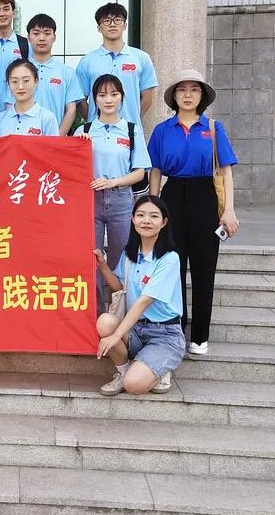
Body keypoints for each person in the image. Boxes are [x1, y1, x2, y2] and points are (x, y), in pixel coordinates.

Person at [149, 69, 240, 357]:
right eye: (182, 89)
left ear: (202, 96)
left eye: (194, 89)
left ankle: (200, 335)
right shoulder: (162, 130)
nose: (188, 95)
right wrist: (153, 208)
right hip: (172, 196)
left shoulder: (213, 128)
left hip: (205, 197)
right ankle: (176, 329)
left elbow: (226, 171)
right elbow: (155, 171)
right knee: (172, 268)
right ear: (174, 96)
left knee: (204, 269)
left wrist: (229, 210)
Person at [94, 194, 185, 396]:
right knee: (105, 322)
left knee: (134, 385)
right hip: (136, 329)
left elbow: (145, 301)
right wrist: (102, 266)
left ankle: (159, 368)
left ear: (164, 222)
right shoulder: (130, 254)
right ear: (133, 219)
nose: (146, 220)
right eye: (141, 215)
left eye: (154, 216)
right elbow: (119, 287)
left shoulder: (169, 259)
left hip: (164, 334)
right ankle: (124, 371)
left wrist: (116, 336)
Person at [80, 74, 152, 314]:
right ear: (94, 100)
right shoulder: (84, 130)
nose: (108, 100)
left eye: (114, 94)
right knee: (90, 257)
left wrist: (113, 182)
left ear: (122, 97)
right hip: (90, 200)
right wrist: (78, 144)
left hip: (122, 199)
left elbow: (140, 172)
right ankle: (95, 315)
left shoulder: (131, 130)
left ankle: (118, 313)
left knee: (121, 259)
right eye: (102, 95)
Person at [75, 2, 158, 126]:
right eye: (106, 21)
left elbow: (147, 98)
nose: (112, 24)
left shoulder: (141, 58)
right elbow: (80, 100)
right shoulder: (87, 61)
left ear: (125, 25)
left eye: (117, 20)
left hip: (130, 132)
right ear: (99, 28)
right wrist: (94, 122)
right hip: (96, 132)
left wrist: (132, 122)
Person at [5, 13, 82, 135]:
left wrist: (55, 140)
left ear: (54, 37)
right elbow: (10, 105)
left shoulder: (67, 72)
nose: (41, 38)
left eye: (47, 33)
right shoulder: (17, 71)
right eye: (36, 34)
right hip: (21, 139)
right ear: (29, 38)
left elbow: (71, 110)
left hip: (53, 140)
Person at [0, 59, 60, 137]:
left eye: (26, 81)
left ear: (36, 81)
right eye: (15, 81)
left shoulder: (47, 119)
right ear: (8, 84)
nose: (20, 87)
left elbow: (53, 145)